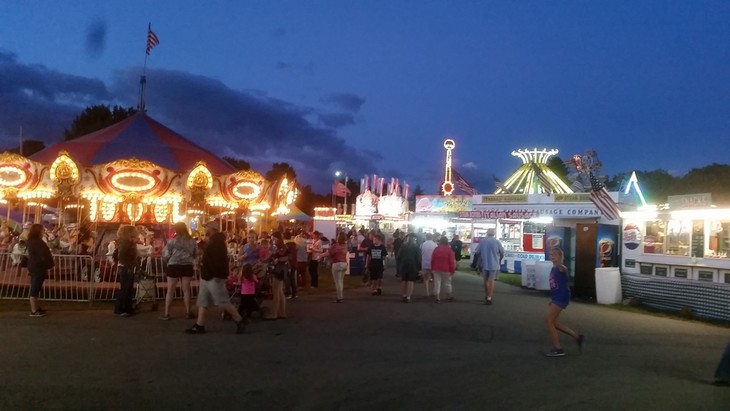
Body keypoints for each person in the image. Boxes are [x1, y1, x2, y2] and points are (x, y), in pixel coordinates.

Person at [185, 222, 246, 334]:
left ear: (212, 229)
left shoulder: (217, 242)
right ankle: (200, 324)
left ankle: (239, 319)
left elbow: (220, 260)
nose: (205, 229)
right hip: (207, 275)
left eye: (207, 227)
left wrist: (219, 274)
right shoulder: (214, 241)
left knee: (222, 301)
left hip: (213, 276)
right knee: (203, 301)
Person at [544, 247, 584, 357]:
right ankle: (576, 336)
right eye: (551, 255)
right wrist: (552, 299)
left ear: (561, 257)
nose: (552, 257)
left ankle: (558, 348)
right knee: (554, 323)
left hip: (562, 297)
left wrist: (560, 264)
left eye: (555, 255)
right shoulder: (553, 268)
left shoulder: (561, 268)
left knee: (548, 321)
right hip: (556, 297)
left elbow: (563, 269)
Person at [160, 222, 197, 320]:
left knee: (170, 290)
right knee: (186, 290)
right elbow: (195, 254)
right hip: (187, 265)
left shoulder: (173, 241)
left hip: (174, 264)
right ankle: (188, 312)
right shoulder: (192, 241)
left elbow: (166, 254)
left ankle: (167, 313)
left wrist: (167, 261)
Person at [26, 224, 54, 317]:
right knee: (35, 287)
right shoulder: (37, 242)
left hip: (36, 266)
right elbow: (43, 255)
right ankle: (34, 310)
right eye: (42, 230)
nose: (43, 231)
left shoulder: (32, 241)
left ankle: (36, 307)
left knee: (36, 286)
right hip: (38, 267)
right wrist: (47, 262)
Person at [114, 225, 138, 317]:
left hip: (126, 266)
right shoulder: (126, 243)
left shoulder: (126, 242)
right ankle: (123, 308)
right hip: (126, 267)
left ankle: (126, 308)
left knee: (127, 288)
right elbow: (122, 256)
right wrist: (129, 265)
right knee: (125, 288)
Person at [264, 238, 289, 320]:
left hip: (279, 270)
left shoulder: (281, 249)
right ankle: (282, 313)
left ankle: (274, 313)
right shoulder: (282, 248)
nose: (273, 240)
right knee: (280, 291)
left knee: (276, 292)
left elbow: (284, 257)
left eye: (274, 238)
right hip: (282, 270)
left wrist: (277, 259)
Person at [478, 228, 504, 305]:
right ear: (494, 234)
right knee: (492, 281)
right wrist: (499, 259)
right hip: (494, 264)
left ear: (487, 233)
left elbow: (477, 252)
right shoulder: (497, 242)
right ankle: (489, 297)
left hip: (484, 263)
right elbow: (502, 252)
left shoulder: (482, 241)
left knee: (485, 280)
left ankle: (486, 295)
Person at [396, 233, 421, 303]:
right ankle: (408, 296)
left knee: (404, 280)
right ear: (414, 239)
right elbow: (418, 259)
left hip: (404, 265)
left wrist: (399, 265)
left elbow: (398, 257)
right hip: (412, 266)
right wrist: (419, 268)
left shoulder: (403, 246)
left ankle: (404, 295)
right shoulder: (416, 247)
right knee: (410, 281)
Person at [431, 236, 455, 303]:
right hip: (446, 269)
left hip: (436, 268)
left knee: (437, 283)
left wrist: (432, 268)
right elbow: (451, 261)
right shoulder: (449, 250)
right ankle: (448, 295)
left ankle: (437, 297)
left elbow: (432, 259)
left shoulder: (436, 249)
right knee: (447, 283)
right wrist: (452, 270)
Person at [329, 232, 349, 303]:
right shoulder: (345, 245)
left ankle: (339, 297)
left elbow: (330, 253)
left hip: (337, 264)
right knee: (341, 281)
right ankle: (340, 296)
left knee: (337, 282)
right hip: (344, 264)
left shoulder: (335, 246)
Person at [420, 233, 438, 297]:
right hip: (433, 264)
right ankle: (434, 291)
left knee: (426, 278)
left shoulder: (422, 245)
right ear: (432, 237)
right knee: (434, 278)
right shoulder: (435, 245)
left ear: (426, 237)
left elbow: (420, 253)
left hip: (424, 263)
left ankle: (427, 292)